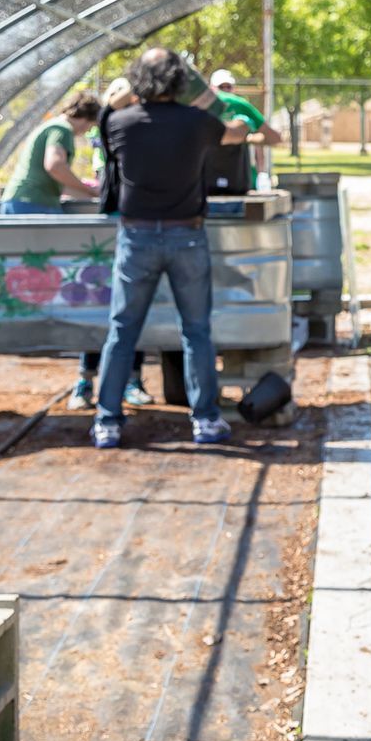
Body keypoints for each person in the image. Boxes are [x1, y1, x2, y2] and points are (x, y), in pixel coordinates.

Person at [89, 47, 252, 449]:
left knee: (123, 329)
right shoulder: (198, 123)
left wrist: (122, 100)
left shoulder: (120, 122)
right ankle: (206, 420)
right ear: (180, 80)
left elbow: (107, 128)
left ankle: (107, 421)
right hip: (187, 235)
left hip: (137, 238)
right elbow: (234, 132)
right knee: (196, 331)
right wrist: (240, 119)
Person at [72, 77, 150, 412]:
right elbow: (106, 114)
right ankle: (85, 379)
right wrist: (126, 96)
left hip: (138, 226)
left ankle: (133, 379)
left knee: (135, 309)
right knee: (100, 304)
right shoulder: (107, 127)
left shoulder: (142, 130)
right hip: (112, 227)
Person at [0, 91, 101, 215]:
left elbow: (57, 181)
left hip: (22, 201)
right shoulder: (62, 129)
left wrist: (90, 193)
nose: (87, 131)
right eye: (91, 126)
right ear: (87, 118)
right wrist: (89, 189)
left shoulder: (52, 126)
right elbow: (55, 166)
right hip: (33, 203)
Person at [206, 68, 283, 192]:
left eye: (228, 87)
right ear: (213, 88)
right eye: (222, 87)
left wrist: (248, 137)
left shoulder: (241, 106)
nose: (225, 92)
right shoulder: (238, 104)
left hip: (238, 180)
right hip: (210, 181)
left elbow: (272, 138)